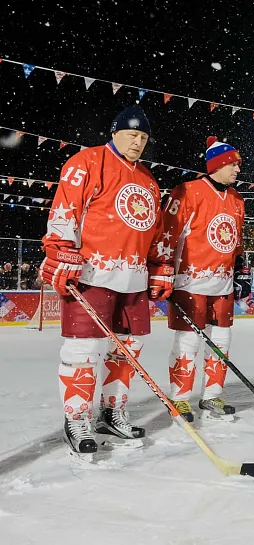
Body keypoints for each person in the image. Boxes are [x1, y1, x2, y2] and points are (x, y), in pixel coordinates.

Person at [41, 105, 168, 455]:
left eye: (143, 137)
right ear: (114, 132)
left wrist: (160, 266)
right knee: (83, 351)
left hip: (134, 279)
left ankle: (112, 413)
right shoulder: (86, 162)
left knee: (126, 350)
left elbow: (153, 230)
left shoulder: (148, 180)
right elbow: (65, 209)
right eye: (131, 134)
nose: (138, 142)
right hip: (92, 273)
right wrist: (61, 251)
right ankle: (77, 417)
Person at [152, 136, 246, 422]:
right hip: (190, 282)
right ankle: (180, 398)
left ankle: (212, 395)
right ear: (217, 164)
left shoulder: (237, 199)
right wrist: (162, 268)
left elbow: (236, 241)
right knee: (188, 342)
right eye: (233, 163)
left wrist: (241, 271)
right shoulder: (187, 191)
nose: (238, 169)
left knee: (222, 339)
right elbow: (166, 232)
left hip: (223, 284)